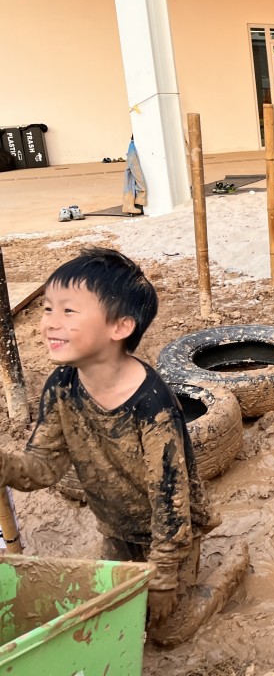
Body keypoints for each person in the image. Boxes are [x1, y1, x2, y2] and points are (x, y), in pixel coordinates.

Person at [0, 248, 217, 630]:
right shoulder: (61, 387)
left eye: (69, 311)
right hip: (115, 528)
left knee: (167, 630)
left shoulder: (153, 405)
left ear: (119, 327)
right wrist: (7, 466)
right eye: (48, 309)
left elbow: (170, 495)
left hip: (167, 535)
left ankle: (220, 580)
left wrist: (164, 573)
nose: (50, 322)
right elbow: (44, 466)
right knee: (108, 619)